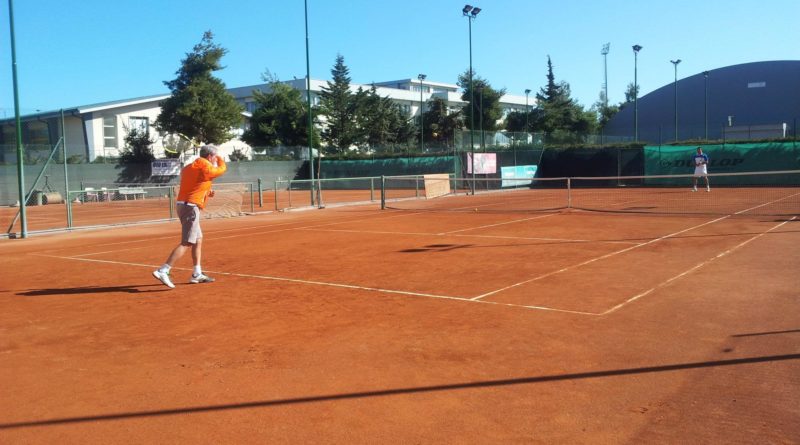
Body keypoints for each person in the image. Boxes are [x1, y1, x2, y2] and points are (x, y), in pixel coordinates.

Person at [152, 145, 227, 288]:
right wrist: (220, 159)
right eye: (214, 158)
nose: (215, 161)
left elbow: (196, 183)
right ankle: (164, 269)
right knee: (187, 242)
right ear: (210, 156)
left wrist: (206, 192)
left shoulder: (189, 167)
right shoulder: (205, 165)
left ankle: (196, 273)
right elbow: (219, 170)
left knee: (198, 239)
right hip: (190, 207)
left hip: (184, 204)